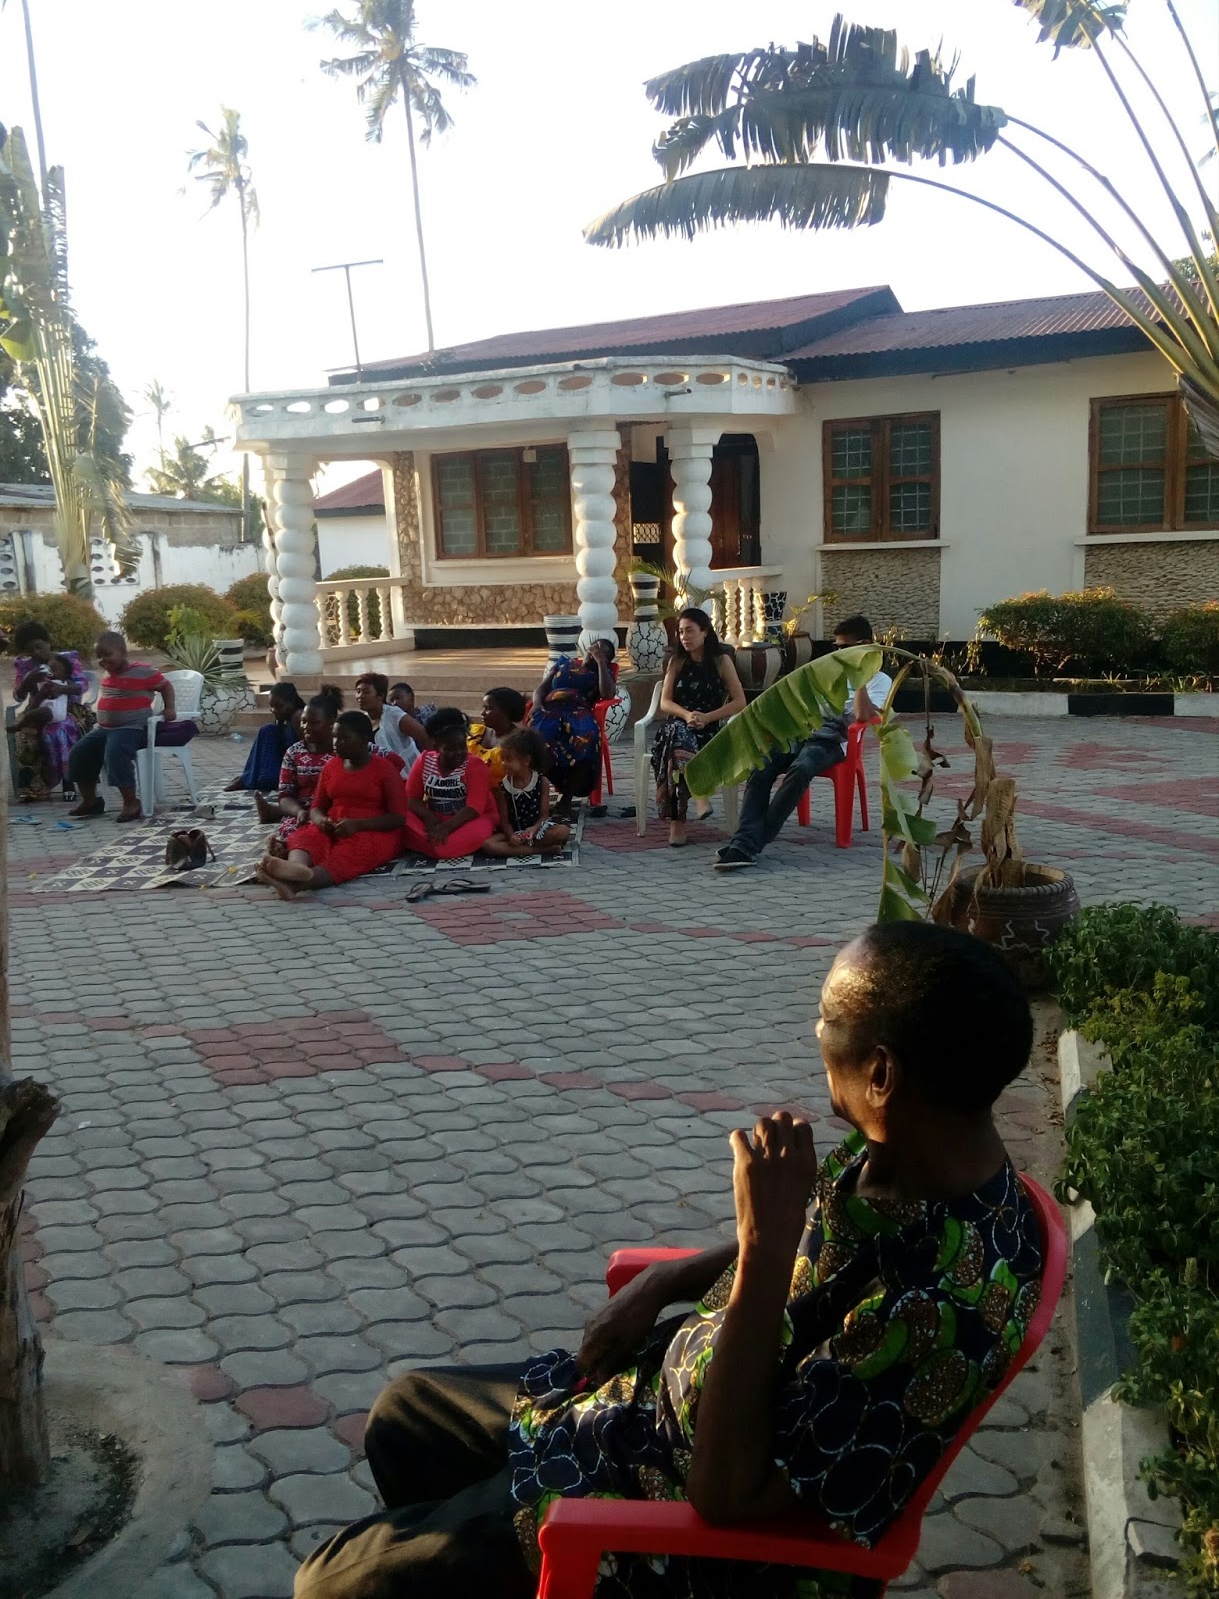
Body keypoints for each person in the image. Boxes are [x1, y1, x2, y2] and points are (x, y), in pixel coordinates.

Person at [292, 921, 1043, 1599]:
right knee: (404, 1415)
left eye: (826, 1019)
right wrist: (664, 1279)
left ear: (880, 1072)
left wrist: (763, 1247)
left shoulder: (939, 1310)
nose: (816, 1034)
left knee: (332, 1581)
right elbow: (816, 1241)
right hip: (647, 1404)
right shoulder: (914, 1144)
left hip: (674, 1520)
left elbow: (727, 1495)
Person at [715, 615, 892, 872]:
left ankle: (748, 844)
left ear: (863, 645)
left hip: (834, 740)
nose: (838, 654)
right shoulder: (828, 671)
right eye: (836, 648)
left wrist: (859, 676)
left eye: (844, 648)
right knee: (762, 765)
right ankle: (745, 841)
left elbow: (863, 716)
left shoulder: (880, 680)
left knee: (801, 768)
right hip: (803, 731)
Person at [255, 710, 406, 900]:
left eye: (344, 738)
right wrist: (320, 821)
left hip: (373, 831)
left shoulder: (385, 770)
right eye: (335, 737)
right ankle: (296, 868)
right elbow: (317, 807)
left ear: (364, 739)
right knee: (307, 836)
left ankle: (296, 882)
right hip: (335, 824)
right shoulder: (331, 766)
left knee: (348, 855)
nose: (336, 743)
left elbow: (398, 818)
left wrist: (358, 825)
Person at [651, 608, 746, 848]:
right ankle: (699, 794)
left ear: (705, 632)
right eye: (681, 632)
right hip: (678, 725)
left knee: (674, 748)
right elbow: (665, 703)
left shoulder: (721, 661)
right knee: (676, 734)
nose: (684, 637)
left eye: (690, 631)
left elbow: (739, 702)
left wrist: (707, 717)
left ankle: (677, 825)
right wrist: (687, 715)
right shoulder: (676, 661)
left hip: (709, 732)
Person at [66, 632, 175, 822]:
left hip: (132, 728)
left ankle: (131, 803)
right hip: (104, 729)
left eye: (107, 654)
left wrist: (170, 708)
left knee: (115, 753)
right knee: (79, 752)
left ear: (123, 652)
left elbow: (166, 687)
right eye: (99, 656)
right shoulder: (109, 672)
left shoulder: (143, 671)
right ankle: (91, 801)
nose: (103, 660)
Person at [530, 636, 616, 818]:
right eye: (595, 645)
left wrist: (601, 663)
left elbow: (608, 693)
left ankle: (566, 801)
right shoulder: (564, 663)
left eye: (602, 649)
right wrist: (537, 703)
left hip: (578, 713)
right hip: (549, 711)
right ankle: (534, 797)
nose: (596, 649)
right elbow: (541, 688)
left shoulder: (602, 672)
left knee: (586, 740)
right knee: (535, 741)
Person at [401, 706, 499, 860]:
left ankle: (425, 843)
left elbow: (474, 808)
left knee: (443, 849)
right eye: (450, 749)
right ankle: (430, 843)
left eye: (462, 746)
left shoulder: (475, 765)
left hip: (474, 819)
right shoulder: (425, 760)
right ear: (436, 747)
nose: (458, 753)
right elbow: (412, 799)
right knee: (399, 815)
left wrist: (445, 828)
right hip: (436, 818)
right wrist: (428, 817)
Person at [9, 622, 92, 802]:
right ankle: (34, 788)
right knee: (24, 734)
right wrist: (27, 681)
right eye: (31, 650)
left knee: (59, 729)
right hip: (37, 710)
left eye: (39, 646)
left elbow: (83, 685)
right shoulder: (25, 666)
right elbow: (18, 697)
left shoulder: (66, 659)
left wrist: (62, 689)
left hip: (70, 710)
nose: (36, 652)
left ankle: (68, 780)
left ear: (48, 642)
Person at [256, 685, 344, 849]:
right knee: (296, 832)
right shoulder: (294, 753)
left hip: (338, 814)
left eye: (314, 723)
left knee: (338, 835)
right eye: (303, 721)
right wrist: (298, 812)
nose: (306, 727)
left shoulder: (345, 750)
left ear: (331, 723)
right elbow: (285, 795)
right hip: (303, 816)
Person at [480, 728, 571, 858]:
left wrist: (534, 829)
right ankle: (542, 850)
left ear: (526, 761)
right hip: (514, 832)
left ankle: (521, 849)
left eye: (509, 759)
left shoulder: (542, 782)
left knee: (563, 832)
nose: (504, 764)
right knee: (488, 845)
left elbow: (544, 815)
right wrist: (511, 836)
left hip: (536, 830)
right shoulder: (503, 787)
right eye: (503, 759)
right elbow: (504, 822)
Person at [226, 681, 304, 792]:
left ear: (291, 702)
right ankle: (248, 777)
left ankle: (248, 779)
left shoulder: (298, 717)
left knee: (266, 779)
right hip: (287, 761)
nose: (274, 710)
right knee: (268, 730)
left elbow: (305, 752)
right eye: (272, 707)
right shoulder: (286, 718)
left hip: (298, 769)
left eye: (279, 706)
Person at [355, 673, 426, 768]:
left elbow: (425, 737)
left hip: (407, 773)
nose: (360, 696)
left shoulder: (395, 715)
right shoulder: (362, 720)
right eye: (358, 691)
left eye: (366, 692)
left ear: (380, 695)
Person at [467, 687, 528, 787]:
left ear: (506, 711)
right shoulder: (474, 733)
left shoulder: (520, 741)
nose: (482, 713)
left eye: (488, 708)